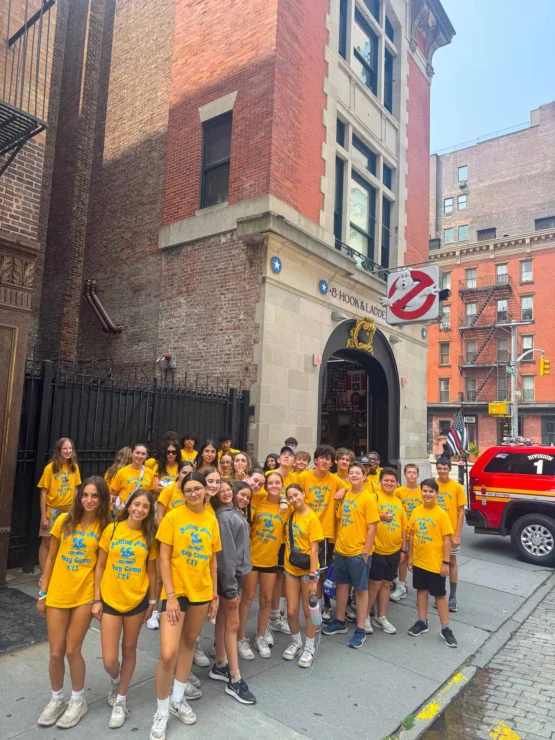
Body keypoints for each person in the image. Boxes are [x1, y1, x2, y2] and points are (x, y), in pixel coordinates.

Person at [36, 476, 111, 729]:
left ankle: (78, 700)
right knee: (55, 651)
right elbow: (50, 557)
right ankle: (57, 698)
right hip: (57, 592)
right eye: (85, 495)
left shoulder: (105, 527)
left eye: (94, 496)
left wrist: (98, 599)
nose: (89, 500)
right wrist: (43, 592)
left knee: (72, 650)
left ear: (102, 499)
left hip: (84, 595)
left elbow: (101, 566)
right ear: (79, 497)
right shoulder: (63, 521)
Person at [150, 472, 220, 738]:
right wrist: (169, 596)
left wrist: (215, 596)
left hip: (201, 591)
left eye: (197, 489)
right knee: (168, 653)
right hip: (176, 593)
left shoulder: (211, 520)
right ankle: (161, 710)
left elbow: (213, 561)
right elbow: (164, 560)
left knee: (189, 642)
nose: (193, 493)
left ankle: (178, 698)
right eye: (188, 490)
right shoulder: (172, 517)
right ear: (182, 492)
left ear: (205, 490)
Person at [93, 489, 158, 728]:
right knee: (110, 659)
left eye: (145, 507)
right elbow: (100, 566)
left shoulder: (150, 535)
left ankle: (121, 698)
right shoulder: (111, 530)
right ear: (129, 505)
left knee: (129, 648)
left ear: (149, 511)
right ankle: (116, 679)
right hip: (110, 598)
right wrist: (96, 599)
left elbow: (152, 572)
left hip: (137, 600)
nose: (140, 509)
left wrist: (153, 603)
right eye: (136, 504)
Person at [322, 461, 379, 648]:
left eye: (358, 473)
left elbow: (372, 528)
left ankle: (361, 628)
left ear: (364, 476)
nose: (354, 475)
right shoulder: (346, 494)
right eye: (351, 472)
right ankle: (339, 621)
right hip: (342, 550)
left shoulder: (368, 498)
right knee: (341, 586)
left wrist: (365, 552)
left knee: (361, 590)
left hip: (358, 552)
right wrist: (337, 545)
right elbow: (340, 522)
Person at [210, 480, 256, 704]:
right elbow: (226, 555)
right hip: (230, 578)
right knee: (233, 625)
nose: (227, 493)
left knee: (223, 620)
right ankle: (235, 680)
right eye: (222, 491)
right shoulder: (223, 517)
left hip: (232, 576)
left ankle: (220, 663)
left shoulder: (230, 513)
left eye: (229, 489)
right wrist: (230, 590)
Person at [237, 472, 290, 661]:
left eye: (278, 482)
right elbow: (243, 492)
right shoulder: (258, 498)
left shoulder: (287, 508)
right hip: (252, 557)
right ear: (266, 486)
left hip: (271, 559)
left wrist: (284, 500)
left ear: (282, 485)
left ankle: (260, 636)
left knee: (267, 599)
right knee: (247, 599)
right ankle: (241, 637)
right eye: (271, 483)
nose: (274, 485)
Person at [407, 478, 458, 648]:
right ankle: (422, 621)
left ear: (437, 493)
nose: (427, 494)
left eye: (431, 491)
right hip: (420, 560)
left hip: (436, 562)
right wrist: (410, 557)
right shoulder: (416, 511)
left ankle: (446, 628)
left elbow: (446, 540)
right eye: (425, 491)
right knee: (421, 591)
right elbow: (412, 536)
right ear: (421, 492)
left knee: (440, 595)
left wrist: (445, 562)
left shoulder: (441, 514)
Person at [297, 445, 347, 605]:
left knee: (320, 571)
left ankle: (320, 605)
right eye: (322, 458)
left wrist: (343, 490)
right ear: (316, 460)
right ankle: (304, 604)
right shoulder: (304, 477)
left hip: (324, 532)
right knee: (301, 567)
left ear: (332, 463)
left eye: (328, 459)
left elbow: (351, 487)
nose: (325, 461)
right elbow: (293, 494)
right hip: (304, 530)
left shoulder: (333, 480)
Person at [150, 462, 195, 631]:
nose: (187, 475)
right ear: (177, 472)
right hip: (167, 540)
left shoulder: (190, 492)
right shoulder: (169, 491)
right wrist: (167, 537)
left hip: (185, 541)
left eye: (190, 472)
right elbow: (159, 516)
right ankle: (155, 611)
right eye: (184, 472)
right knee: (161, 577)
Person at [282, 484, 323, 668]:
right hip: (291, 569)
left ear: (304, 494)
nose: (293, 499)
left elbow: (315, 551)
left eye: (296, 495)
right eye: (289, 497)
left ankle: (309, 645)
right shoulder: (289, 514)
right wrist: (283, 501)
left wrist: (314, 578)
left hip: (308, 571)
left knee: (308, 610)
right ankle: (296, 641)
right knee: (291, 611)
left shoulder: (312, 518)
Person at [366, 468, 407, 635]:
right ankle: (366, 615)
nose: (389, 483)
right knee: (374, 584)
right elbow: (365, 516)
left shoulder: (398, 502)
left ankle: (381, 616)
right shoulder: (373, 497)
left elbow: (404, 528)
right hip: (378, 549)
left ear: (397, 483)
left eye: (392, 481)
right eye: (386, 480)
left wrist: (403, 550)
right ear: (380, 482)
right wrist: (381, 516)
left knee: (386, 584)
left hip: (394, 549)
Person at [38, 437, 82, 575]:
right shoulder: (50, 468)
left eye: (70, 448)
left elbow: (76, 489)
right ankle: (45, 574)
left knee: (64, 542)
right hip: (53, 510)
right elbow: (43, 493)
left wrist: (75, 509)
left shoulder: (74, 467)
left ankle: (57, 572)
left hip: (68, 510)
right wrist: (43, 516)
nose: (68, 451)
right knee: (46, 542)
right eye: (65, 448)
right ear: (59, 450)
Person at [435, 457, 467, 612]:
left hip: (450, 533)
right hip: (434, 532)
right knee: (436, 563)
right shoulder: (432, 484)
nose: (442, 471)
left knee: (451, 562)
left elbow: (461, 511)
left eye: (444, 468)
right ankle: (440, 594)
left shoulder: (457, 487)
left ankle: (453, 596)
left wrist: (458, 534)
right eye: (439, 468)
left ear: (449, 469)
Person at [391, 464, 423, 602]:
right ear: (404, 475)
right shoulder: (399, 492)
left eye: (414, 472)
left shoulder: (422, 491)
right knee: (403, 560)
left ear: (417, 475)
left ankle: (423, 588)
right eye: (408, 472)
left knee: (419, 560)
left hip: (419, 532)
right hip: (403, 531)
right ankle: (401, 586)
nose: (411, 475)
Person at [110, 443, 154, 512]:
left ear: (146, 456)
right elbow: (113, 494)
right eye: (137, 453)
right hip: (124, 511)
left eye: (143, 454)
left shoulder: (150, 473)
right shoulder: (122, 472)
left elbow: (150, 493)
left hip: (140, 512)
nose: (140, 456)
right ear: (131, 454)